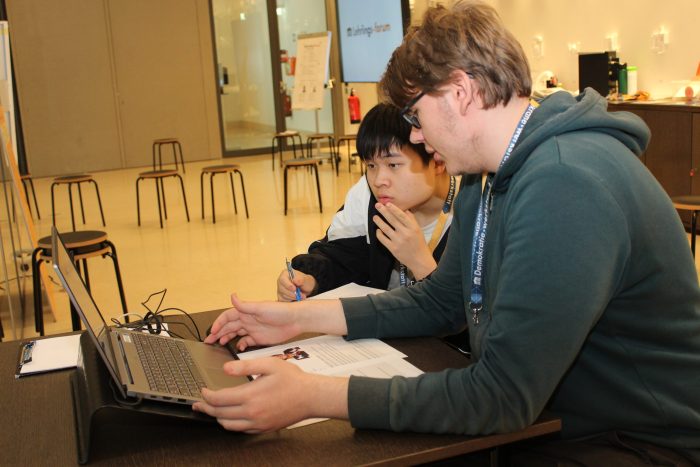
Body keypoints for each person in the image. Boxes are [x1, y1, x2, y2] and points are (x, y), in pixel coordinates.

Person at [195, 2, 700, 464]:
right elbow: (441, 301)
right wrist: (295, 319)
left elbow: (501, 397)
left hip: (635, 442)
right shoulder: (490, 173)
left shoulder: (566, 183)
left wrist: (315, 396)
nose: (415, 134)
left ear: (461, 93)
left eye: (416, 115)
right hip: (561, 421)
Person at [277, 103, 457, 301]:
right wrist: (311, 279)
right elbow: (341, 257)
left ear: (437, 161)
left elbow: (473, 316)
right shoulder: (367, 195)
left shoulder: (476, 209)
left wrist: (421, 263)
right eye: (371, 165)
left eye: (393, 164)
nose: (379, 180)